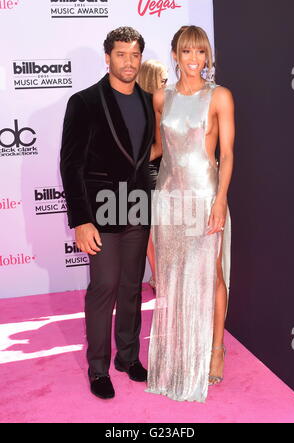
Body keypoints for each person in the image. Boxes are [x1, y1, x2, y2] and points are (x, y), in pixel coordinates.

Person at [60, 27, 155, 400]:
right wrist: (81, 220)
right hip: (100, 213)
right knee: (104, 288)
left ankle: (128, 358)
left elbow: (143, 160)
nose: (128, 62)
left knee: (132, 289)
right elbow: (71, 165)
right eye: (120, 55)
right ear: (107, 58)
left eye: (134, 55)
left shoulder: (148, 100)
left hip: (137, 210)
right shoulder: (84, 102)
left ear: (140, 58)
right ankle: (98, 368)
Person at [147, 25, 234, 402]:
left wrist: (220, 200)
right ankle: (178, 352)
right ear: (176, 56)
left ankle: (215, 349)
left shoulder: (219, 97)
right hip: (168, 200)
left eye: (201, 53)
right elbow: (155, 148)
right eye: (187, 53)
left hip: (204, 197)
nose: (195, 60)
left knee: (212, 274)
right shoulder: (160, 97)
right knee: (171, 278)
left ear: (207, 57)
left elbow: (227, 154)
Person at [137, 60, 168, 291]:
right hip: (153, 173)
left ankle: (159, 277)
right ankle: (160, 277)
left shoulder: (135, 106)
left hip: (144, 174)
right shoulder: (157, 107)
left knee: (149, 230)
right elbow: (159, 147)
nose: (167, 84)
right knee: (154, 230)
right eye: (164, 80)